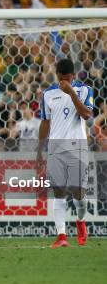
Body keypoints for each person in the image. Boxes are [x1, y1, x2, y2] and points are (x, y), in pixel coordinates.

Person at [38, 59, 94, 248]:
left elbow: (86, 115)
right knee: (59, 192)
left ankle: (80, 221)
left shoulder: (84, 90)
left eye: (66, 78)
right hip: (55, 148)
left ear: (73, 76)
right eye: (60, 78)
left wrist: (71, 94)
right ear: (57, 74)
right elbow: (45, 122)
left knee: (78, 193)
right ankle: (61, 236)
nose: (63, 82)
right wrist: (39, 150)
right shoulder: (48, 94)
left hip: (77, 146)